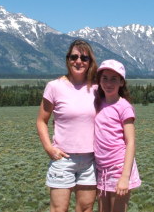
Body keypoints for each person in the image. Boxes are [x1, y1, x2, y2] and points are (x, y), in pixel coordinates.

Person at [37, 39, 99, 212]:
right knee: (59, 209)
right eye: (74, 56)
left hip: (91, 159)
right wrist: (49, 148)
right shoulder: (54, 87)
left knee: (86, 208)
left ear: (90, 62)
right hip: (63, 158)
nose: (78, 61)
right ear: (67, 59)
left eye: (84, 58)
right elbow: (41, 120)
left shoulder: (97, 87)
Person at [94, 59, 141, 212]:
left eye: (114, 79)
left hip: (119, 168)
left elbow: (131, 142)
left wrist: (125, 177)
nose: (108, 83)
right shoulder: (98, 102)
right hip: (102, 170)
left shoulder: (124, 107)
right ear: (99, 81)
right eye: (104, 78)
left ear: (122, 82)